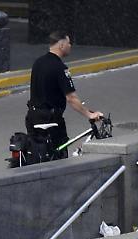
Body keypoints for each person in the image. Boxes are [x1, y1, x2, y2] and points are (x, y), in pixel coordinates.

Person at [27, 31, 104, 161]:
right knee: (59, 158)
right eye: (69, 43)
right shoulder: (60, 67)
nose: (70, 45)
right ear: (61, 45)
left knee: (39, 153)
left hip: (33, 117)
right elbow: (71, 98)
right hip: (51, 120)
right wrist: (89, 114)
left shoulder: (38, 62)